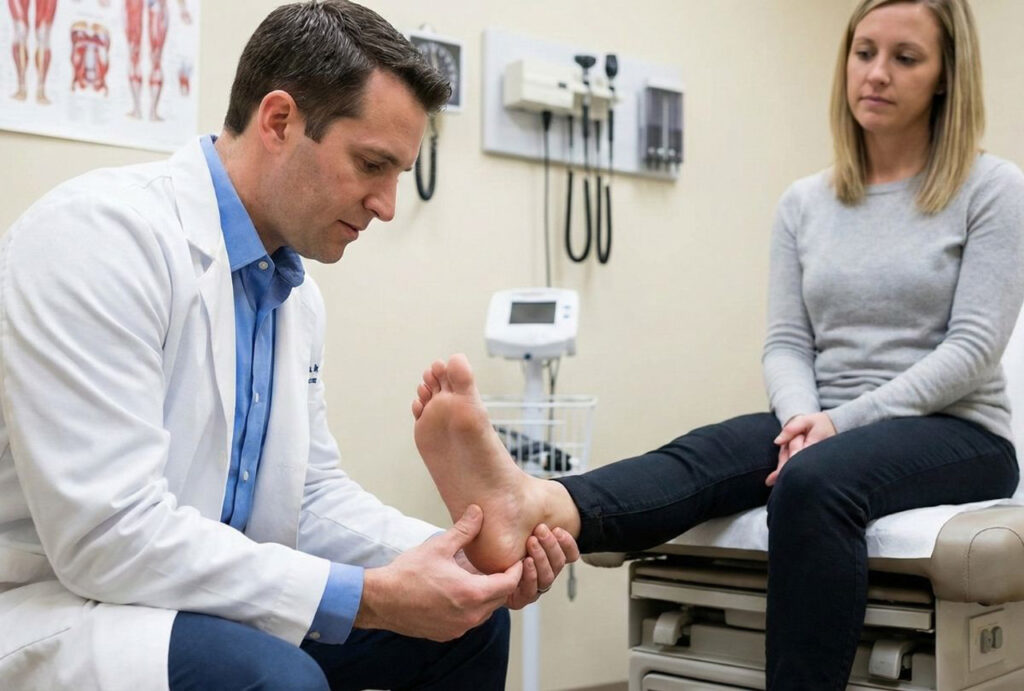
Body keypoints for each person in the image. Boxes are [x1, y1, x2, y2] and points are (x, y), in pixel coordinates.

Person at [411, 0, 1024, 688]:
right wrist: (802, 418)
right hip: (820, 418)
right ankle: (534, 504)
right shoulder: (806, 202)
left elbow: (972, 347)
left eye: (905, 58)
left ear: (946, 76)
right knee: (702, 454)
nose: (876, 74)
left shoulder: (991, 189)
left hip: (956, 431)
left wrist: (834, 426)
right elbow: (788, 342)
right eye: (863, 51)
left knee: (812, 484)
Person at [0, 2, 578, 690]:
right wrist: (370, 594)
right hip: (66, 603)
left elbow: (308, 498)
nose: (387, 205)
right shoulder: (98, 239)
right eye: (372, 164)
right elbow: (108, 536)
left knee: (470, 623)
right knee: (281, 680)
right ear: (279, 121)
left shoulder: (291, 291)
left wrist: (445, 556)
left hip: (202, 594)